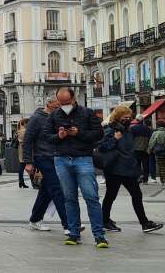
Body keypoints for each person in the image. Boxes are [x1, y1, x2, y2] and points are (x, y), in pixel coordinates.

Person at [46, 88, 107, 248]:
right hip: (62, 159)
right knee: (69, 198)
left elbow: (99, 134)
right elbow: (46, 136)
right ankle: (74, 233)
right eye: (61, 103)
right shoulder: (54, 115)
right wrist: (58, 136)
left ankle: (99, 236)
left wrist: (79, 133)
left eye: (66, 102)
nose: (64, 105)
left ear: (74, 99)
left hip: (83, 158)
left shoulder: (87, 113)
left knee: (91, 197)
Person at [99, 105, 163, 234]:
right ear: (118, 117)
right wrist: (115, 139)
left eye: (129, 117)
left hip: (128, 168)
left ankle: (145, 223)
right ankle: (104, 221)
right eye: (125, 117)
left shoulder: (128, 130)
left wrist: (135, 168)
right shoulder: (110, 130)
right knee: (111, 196)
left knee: (137, 195)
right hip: (114, 169)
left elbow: (129, 150)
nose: (128, 119)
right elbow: (102, 147)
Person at [22, 96, 69, 234]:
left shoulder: (58, 116)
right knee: (57, 188)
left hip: (56, 156)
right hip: (42, 157)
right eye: (57, 105)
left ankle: (35, 219)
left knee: (46, 190)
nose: (60, 107)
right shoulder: (37, 118)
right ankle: (69, 224)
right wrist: (28, 162)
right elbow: (27, 140)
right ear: (49, 103)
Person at [129, 119, 152, 184]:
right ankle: (145, 180)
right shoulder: (147, 129)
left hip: (136, 149)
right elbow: (150, 139)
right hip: (145, 149)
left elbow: (130, 139)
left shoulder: (133, 128)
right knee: (145, 165)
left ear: (137, 120)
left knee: (137, 164)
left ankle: (139, 177)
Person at [16, 119, 30, 188]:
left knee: (21, 166)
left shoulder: (18, 131)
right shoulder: (25, 131)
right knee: (23, 166)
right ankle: (22, 182)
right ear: (24, 123)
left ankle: (21, 182)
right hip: (24, 149)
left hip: (20, 148)